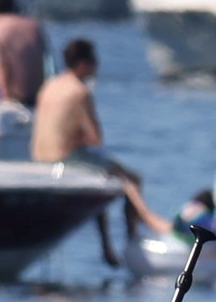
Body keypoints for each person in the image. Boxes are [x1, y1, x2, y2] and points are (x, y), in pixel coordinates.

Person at [31, 38, 166, 258]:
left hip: (39, 157)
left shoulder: (50, 85)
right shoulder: (79, 91)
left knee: (100, 177)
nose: (97, 68)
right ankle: (133, 240)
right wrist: (79, 136)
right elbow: (96, 139)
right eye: (94, 62)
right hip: (66, 157)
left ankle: (107, 248)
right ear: (84, 64)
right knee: (132, 180)